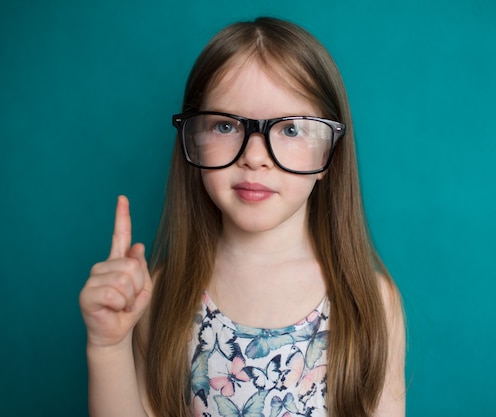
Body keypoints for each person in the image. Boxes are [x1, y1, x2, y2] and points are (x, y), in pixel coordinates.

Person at [79, 16, 406, 417]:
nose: (254, 156)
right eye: (225, 125)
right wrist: (107, 346)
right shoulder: (164, 293)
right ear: (193, 140)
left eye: (290, 130)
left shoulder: (368, 300)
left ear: (330, 154)